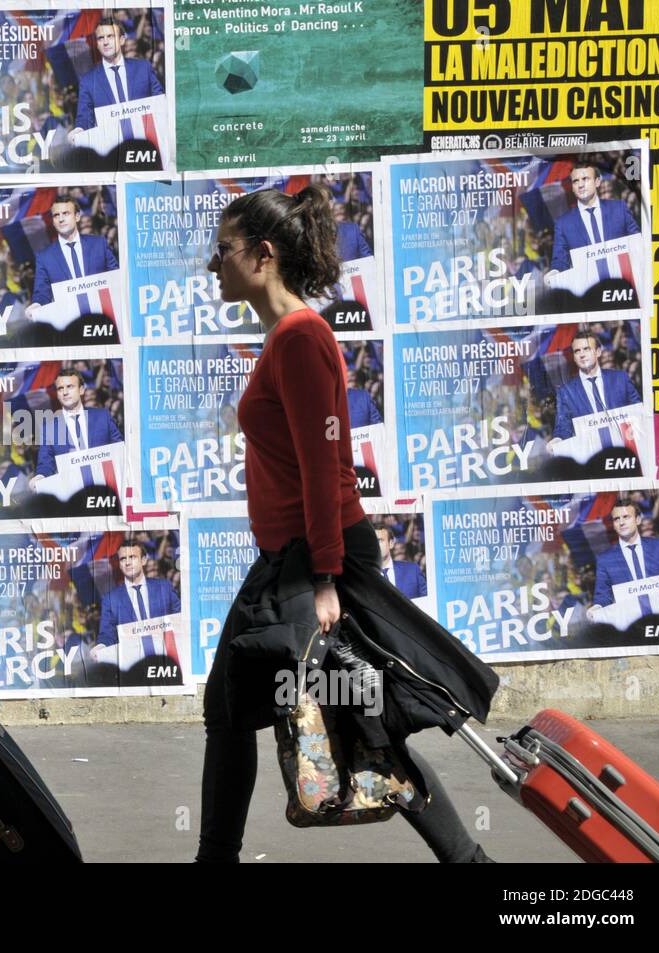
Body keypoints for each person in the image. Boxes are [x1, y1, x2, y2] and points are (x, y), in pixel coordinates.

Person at [197, 183, 492, 863]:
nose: (213, 266)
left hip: (315, 558)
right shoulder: (287, 337)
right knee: (238, 707)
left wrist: (326, 577)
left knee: (361, 718)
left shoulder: (302, 339)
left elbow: (326, 463)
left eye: (223, 251)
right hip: (291, 558)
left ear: (262, 255)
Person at [70, 17, 163, 140]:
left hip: (146, 142)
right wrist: (78, 131)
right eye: (101, 38)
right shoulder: (87, 81)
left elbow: (160, 102)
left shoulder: (143, 68)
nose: (106, 42)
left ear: (122, 40)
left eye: (110, 36)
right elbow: (85, 118)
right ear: (97, 44)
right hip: (111, 147)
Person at [590, 499, 659, 616]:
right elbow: (602, 596)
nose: (621, 522)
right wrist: (597, 608)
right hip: (631, 625)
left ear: (638, 520)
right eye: (616, 519)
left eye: (626, 517)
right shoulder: (605, 559)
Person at [31, 368, 123, 484]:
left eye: (70, 386)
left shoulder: (102, 416)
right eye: (60, 388)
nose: (65, 392)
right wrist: (40, 477)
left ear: (81, 390)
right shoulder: (49, 428)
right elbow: (45, 463)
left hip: (105, 486)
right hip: (72, 491)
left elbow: (119, 449)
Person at [547, 161, 639, 275]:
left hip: (622, 281)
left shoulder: (619, 209)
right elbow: (560, 260)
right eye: (576, 181)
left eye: (585, 179)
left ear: (597, 182)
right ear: (572, 187)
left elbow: (636, 243)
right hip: (588, 289)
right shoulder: (563, 223)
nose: (580, 185)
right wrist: (555, 272)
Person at [93, 540, 180, 658]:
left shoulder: (164, 587)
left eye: (132, 557)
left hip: (166, 656)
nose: (127, 562)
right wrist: (101, 647)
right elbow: (107, 634)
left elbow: (180, 619)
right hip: (133, 661)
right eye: (123, 559)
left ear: (143, 560)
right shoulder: (110, 599)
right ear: (119, 564)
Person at [29, 196, 118, 310]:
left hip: (102, 314)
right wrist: (37, 306)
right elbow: (42, 294)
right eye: (56, 215)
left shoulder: (98, 244)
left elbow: (115, 277)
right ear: (53, 221)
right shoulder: (44, 257)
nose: (61, 219)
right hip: (70, 321)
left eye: (66, 213)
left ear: (77, 216)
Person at [549, 331, 637, 443]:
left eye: (587, 349)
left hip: (623, 446)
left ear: (598, 352)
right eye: (577, 351)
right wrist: (557, 439)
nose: (582, 354)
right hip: (591, 453)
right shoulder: (565, 391)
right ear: (574, 357)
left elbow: (637, 411)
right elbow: (563, 426)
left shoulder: (621, 379)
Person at [374, 525, 426, 600]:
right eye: (372, 541)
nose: (375, 545)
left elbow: (427, 602)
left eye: (380, 540)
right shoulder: (364, 577)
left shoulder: (413, 570)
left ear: (391, 543)